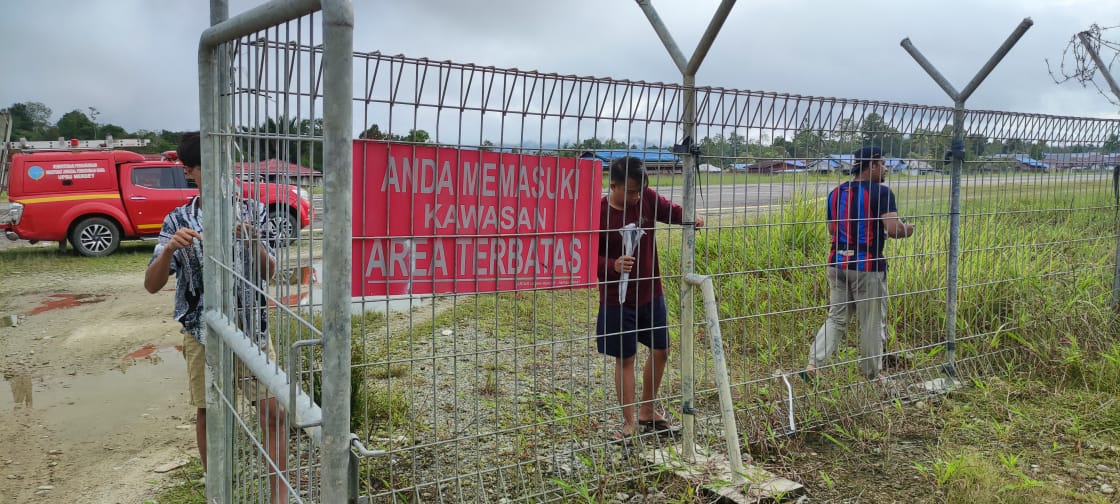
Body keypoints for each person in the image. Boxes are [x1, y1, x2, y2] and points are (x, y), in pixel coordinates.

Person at [144, 132, 289, 503]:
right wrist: (168, 251)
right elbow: (151, 284)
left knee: (274, 412)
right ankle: (218, 490)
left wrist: (254, 242)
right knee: (210, 415)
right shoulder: (178, 219)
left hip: (251, 331)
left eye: (227, 164)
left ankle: (279, 498)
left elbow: (270, 272)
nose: (224, 174)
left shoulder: (251, 210)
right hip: (201, 332)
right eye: (210, 166)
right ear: (190, 171)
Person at [596, 156, 704, 443]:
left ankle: (647, 410)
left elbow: (671, 211)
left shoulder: (646, 199)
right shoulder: (599, 213)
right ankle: (629, 421)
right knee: (626, 357)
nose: (635, 197)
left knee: (661, 350)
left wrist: (691, 218)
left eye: (640, 191)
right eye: (630, 192)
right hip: (616, 299)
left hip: (650, 292)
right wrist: (612, 265)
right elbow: (584, 258)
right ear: (613, 185)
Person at [803, 146, 915, 388]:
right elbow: (894, 229)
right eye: (883, 164)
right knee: (872, 322)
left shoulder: (836, 194)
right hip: (868, 267)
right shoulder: (882, 193)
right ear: (871, 165)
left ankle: (814, 365)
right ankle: (873, 375)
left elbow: (833, 230)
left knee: (837, 318)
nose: (886, 169)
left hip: (838, 264)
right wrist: (909, 228)